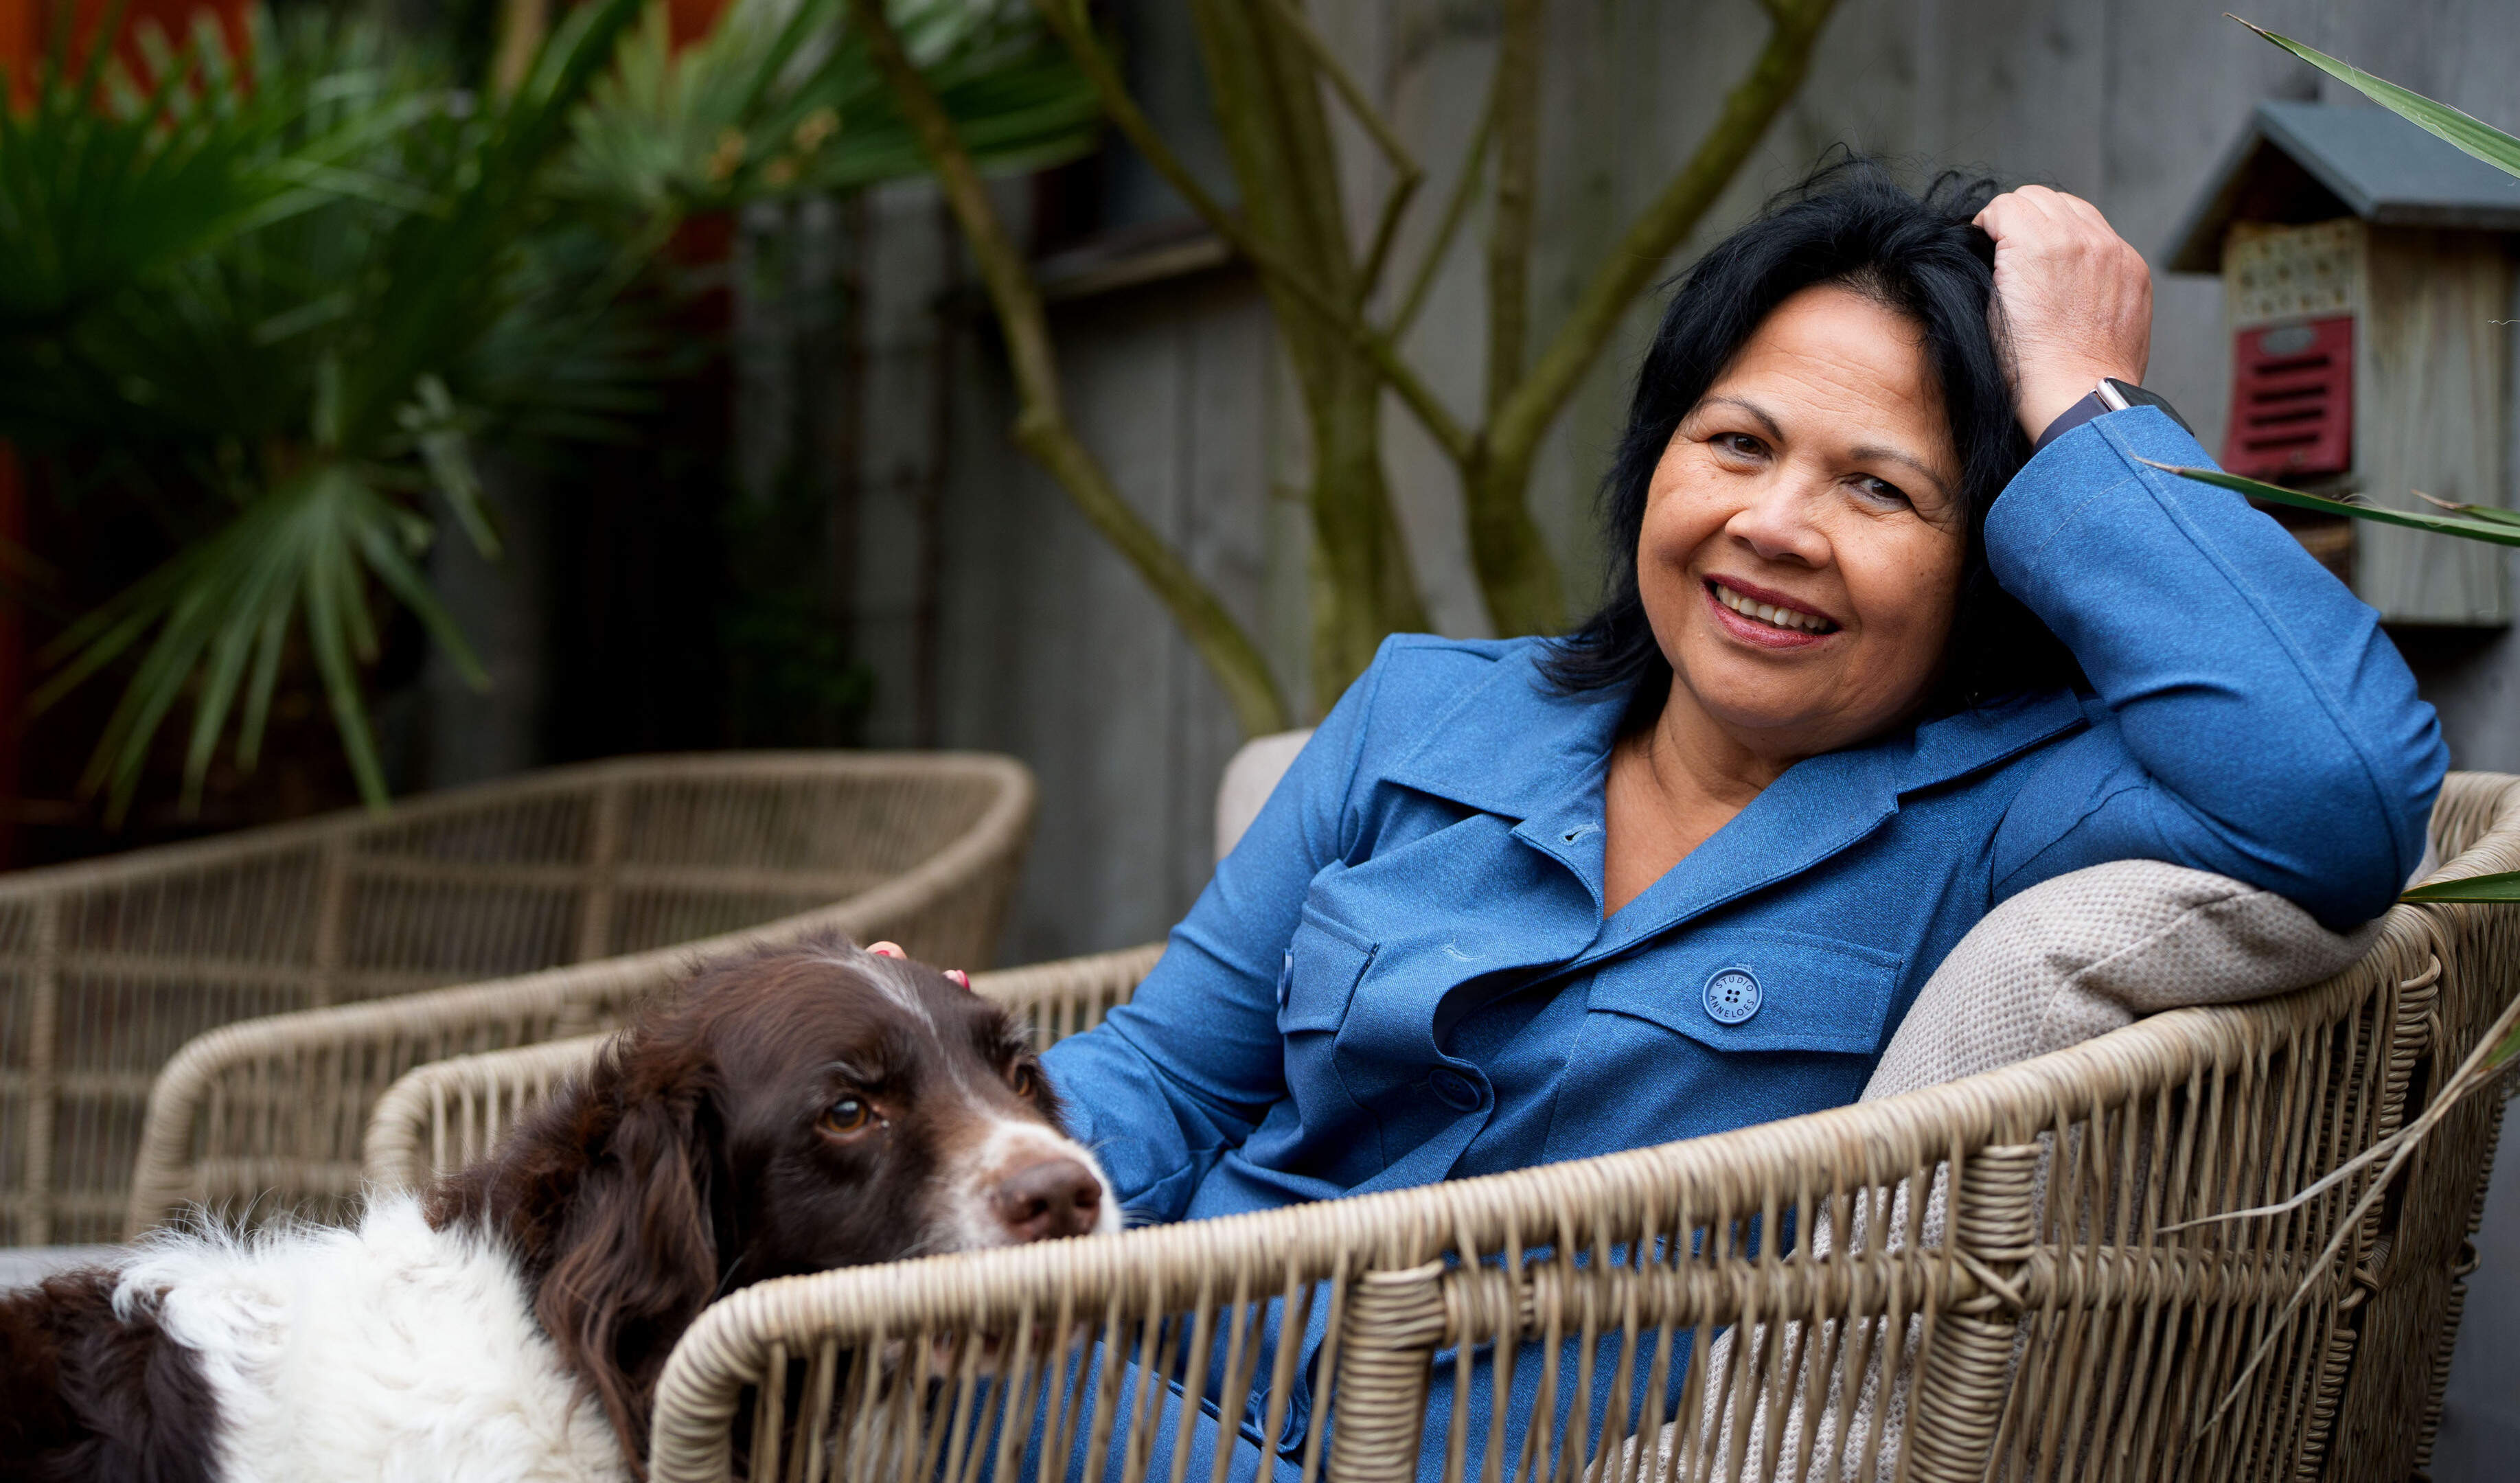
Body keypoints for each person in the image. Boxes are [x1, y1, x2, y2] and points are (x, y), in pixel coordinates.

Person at [1029, 159, 2447, 1479]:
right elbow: (1167, 1082)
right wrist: (940, 1147)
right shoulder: (1424, 713)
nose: (1773, 523)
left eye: (1877, 488)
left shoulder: (2006, 813)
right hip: (1135, 1369)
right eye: (1736, 442)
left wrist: (2082, 404)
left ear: (1995, 562)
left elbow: (2336, 785)